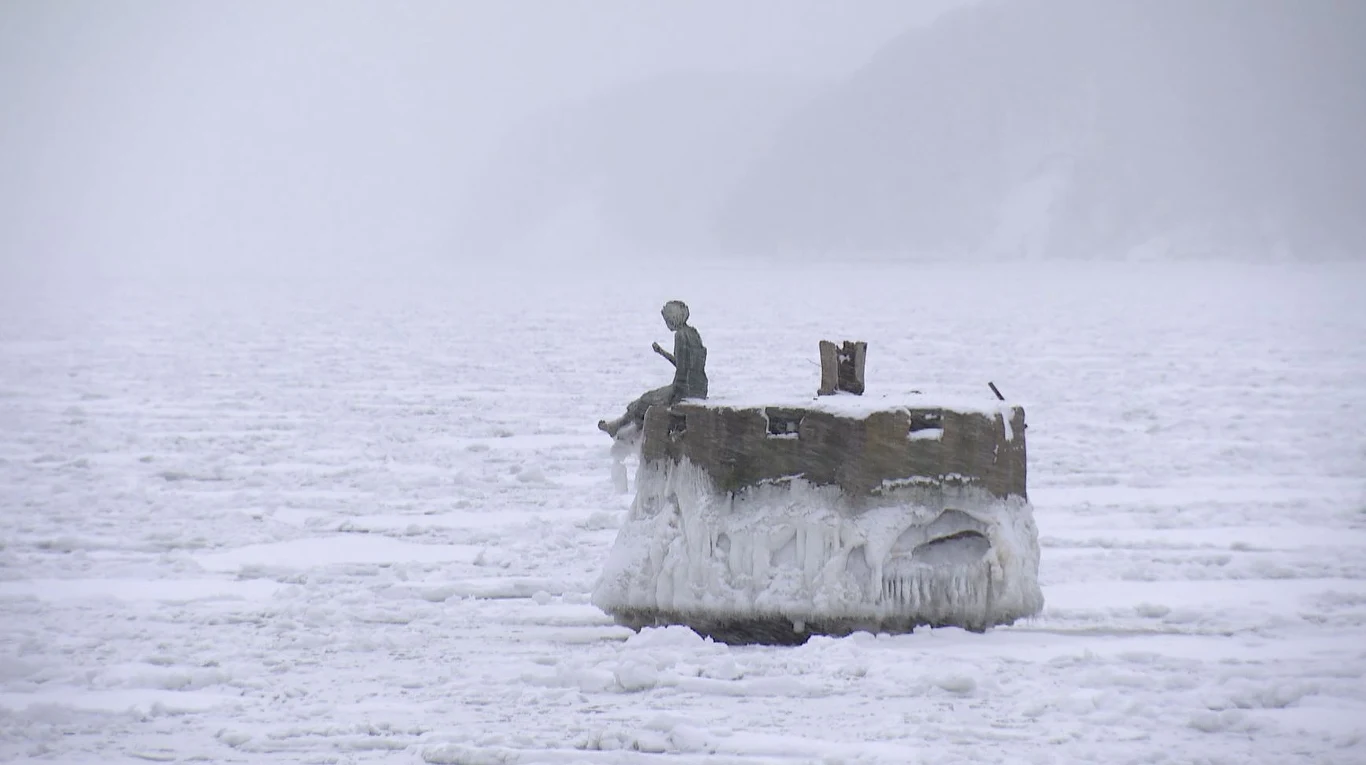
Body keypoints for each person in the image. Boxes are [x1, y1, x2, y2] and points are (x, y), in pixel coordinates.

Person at [598, 300, 708, 438]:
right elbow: (693, 364)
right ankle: (627, 428)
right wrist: (661, 351)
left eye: (667, 320)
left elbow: (681, 367)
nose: (667, 324)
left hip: (684, 389)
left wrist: (675, 393)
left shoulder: (680, 336)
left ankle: (620, 428)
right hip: (700, 386)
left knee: (645, 400)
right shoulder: (693, 333)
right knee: (650, 399)